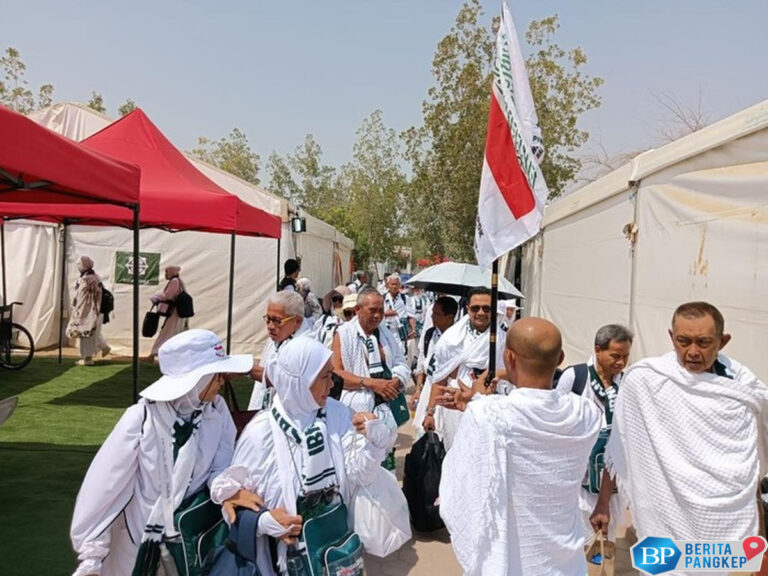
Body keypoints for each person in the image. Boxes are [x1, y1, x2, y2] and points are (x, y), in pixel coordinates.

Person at [70, 329, 253, 576]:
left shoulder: (216, 412)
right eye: (217, 374)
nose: (222, 381)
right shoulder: (142, 418)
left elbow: (221, 464)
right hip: (138, 542)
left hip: (188, 543)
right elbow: (105, 486)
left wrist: (228, 490)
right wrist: (92, 554)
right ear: (196, 379)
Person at [210, 338, 394, 576]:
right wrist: (265, 522)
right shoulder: (261, 433)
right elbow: (233, 503)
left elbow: (358, 476)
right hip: (285, 560)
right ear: (300, 382)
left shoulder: (336, 414)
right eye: (325, 376)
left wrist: (375, 446)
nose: (332, 384)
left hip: (334, 548)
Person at [440, 318, 602, 576]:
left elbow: (459, 485)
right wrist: (479, 404)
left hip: (512, 560)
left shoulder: (487, 413)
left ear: (509, 357)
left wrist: (478, 403)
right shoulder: (585, 413)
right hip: (565, 558)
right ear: (561, 358)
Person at [601, 302, 768, 544]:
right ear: (671, 337)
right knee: (663, 562)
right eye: (683, 341)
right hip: (662, 518)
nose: (692, 351)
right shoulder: (646, 380)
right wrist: (603, 502)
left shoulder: (744, 388)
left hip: (729, 520)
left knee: (732, 562)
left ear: (723, 341)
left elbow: (755, 459)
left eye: (703, 342)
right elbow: (621, 443)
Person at [557, 324, 633, 544]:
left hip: (610, 476)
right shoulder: (576, 376)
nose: (621, 362)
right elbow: (558, 418)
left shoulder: (625, 383)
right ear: (598, 350)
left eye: (625, 356)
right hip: (577, 474)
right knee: (573, 536)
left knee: (604, 538)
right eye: (615, 356)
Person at [331, 288, 410, 469]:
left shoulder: (385, 333)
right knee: (359, 465)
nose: (377, 315)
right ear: (358, 309)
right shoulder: (343, 334)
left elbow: (401, 363)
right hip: (356, 413)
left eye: (381, 311)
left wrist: (396, 380)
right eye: (372, 310)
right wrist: (371, 384)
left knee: (384, 465)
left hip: (385, 411)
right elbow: (336, 374)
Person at [422, 286, 507, 450]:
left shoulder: (503, 340)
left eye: (486, 308)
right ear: (467, 309)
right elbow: (439, 379)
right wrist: (430, 413)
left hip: (491, 405)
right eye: (475, 308)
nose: (481, 313)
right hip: (456, 404)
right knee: (457, 452)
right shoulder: (451, 339)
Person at [247, 291, 307, 411]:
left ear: (297, 321)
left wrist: (245, 370)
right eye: (268, 319)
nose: (270, 326)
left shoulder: (304, 347)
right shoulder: (275, 339)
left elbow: (284, 381)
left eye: (277, 321)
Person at [412, 296, 458, 437]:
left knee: (444, 432)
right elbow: (422, 361)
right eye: (433, 313)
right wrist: (418, 389)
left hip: (447, 391)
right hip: (428, 387)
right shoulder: (430, 334)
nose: (432, 317)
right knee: (423, 432)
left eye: (437, 314)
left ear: (449, 317)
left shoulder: (457, 339)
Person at [66, 255, 109, 366]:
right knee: (93, 333)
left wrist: (77, 310)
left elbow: (82, 296)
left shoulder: (85, 279)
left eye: (79, 264)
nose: (78, 267)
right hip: (97, 310)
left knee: (86, 335)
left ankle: (88, 359)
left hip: (87, 311)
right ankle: (102, 348)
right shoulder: (96, 277)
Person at [145, 265, 187, 364]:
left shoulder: (175, 281)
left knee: (166, 333)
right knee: (173, 333)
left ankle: (154, 353)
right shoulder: (179, 281)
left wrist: (155, 297)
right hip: (178, 312)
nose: (165, 275)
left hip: (175, 312)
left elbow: (168, 296)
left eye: (166, 272)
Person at [383, 274, 416, 356]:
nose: (394, 286)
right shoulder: (382, 298)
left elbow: (411, 315)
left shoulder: (405, 299)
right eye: (392, 284)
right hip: (386, 331)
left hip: (400, 332)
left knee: (401, 354)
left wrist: (413, 329)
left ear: (399, 285)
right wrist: (386, 313)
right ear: (388, 285)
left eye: (396, 284)